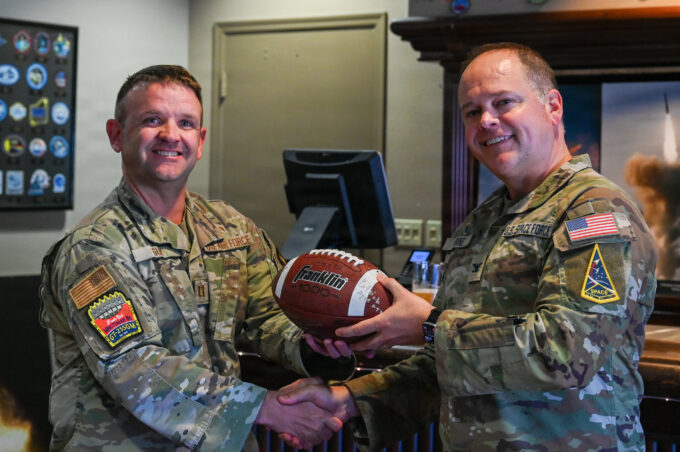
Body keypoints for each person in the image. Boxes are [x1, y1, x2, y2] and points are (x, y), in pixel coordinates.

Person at [280, 42, 658, 450]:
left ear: (552, 106)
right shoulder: (483, 220)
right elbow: (451, 362)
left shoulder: (594, 210)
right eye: (472, 112)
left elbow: (566, 351)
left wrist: (429, 326)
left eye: (504, 102)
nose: (487, 121)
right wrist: (350, 398)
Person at [39, 65, 354, 451]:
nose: (171, 135)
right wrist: (264, 407)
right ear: (116, 135)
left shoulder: (229, 228)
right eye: (152, 120)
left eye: (186, 123)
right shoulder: (94, 247)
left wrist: (314, 346)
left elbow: (269, 316)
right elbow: (136, 368)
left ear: (200, 141)